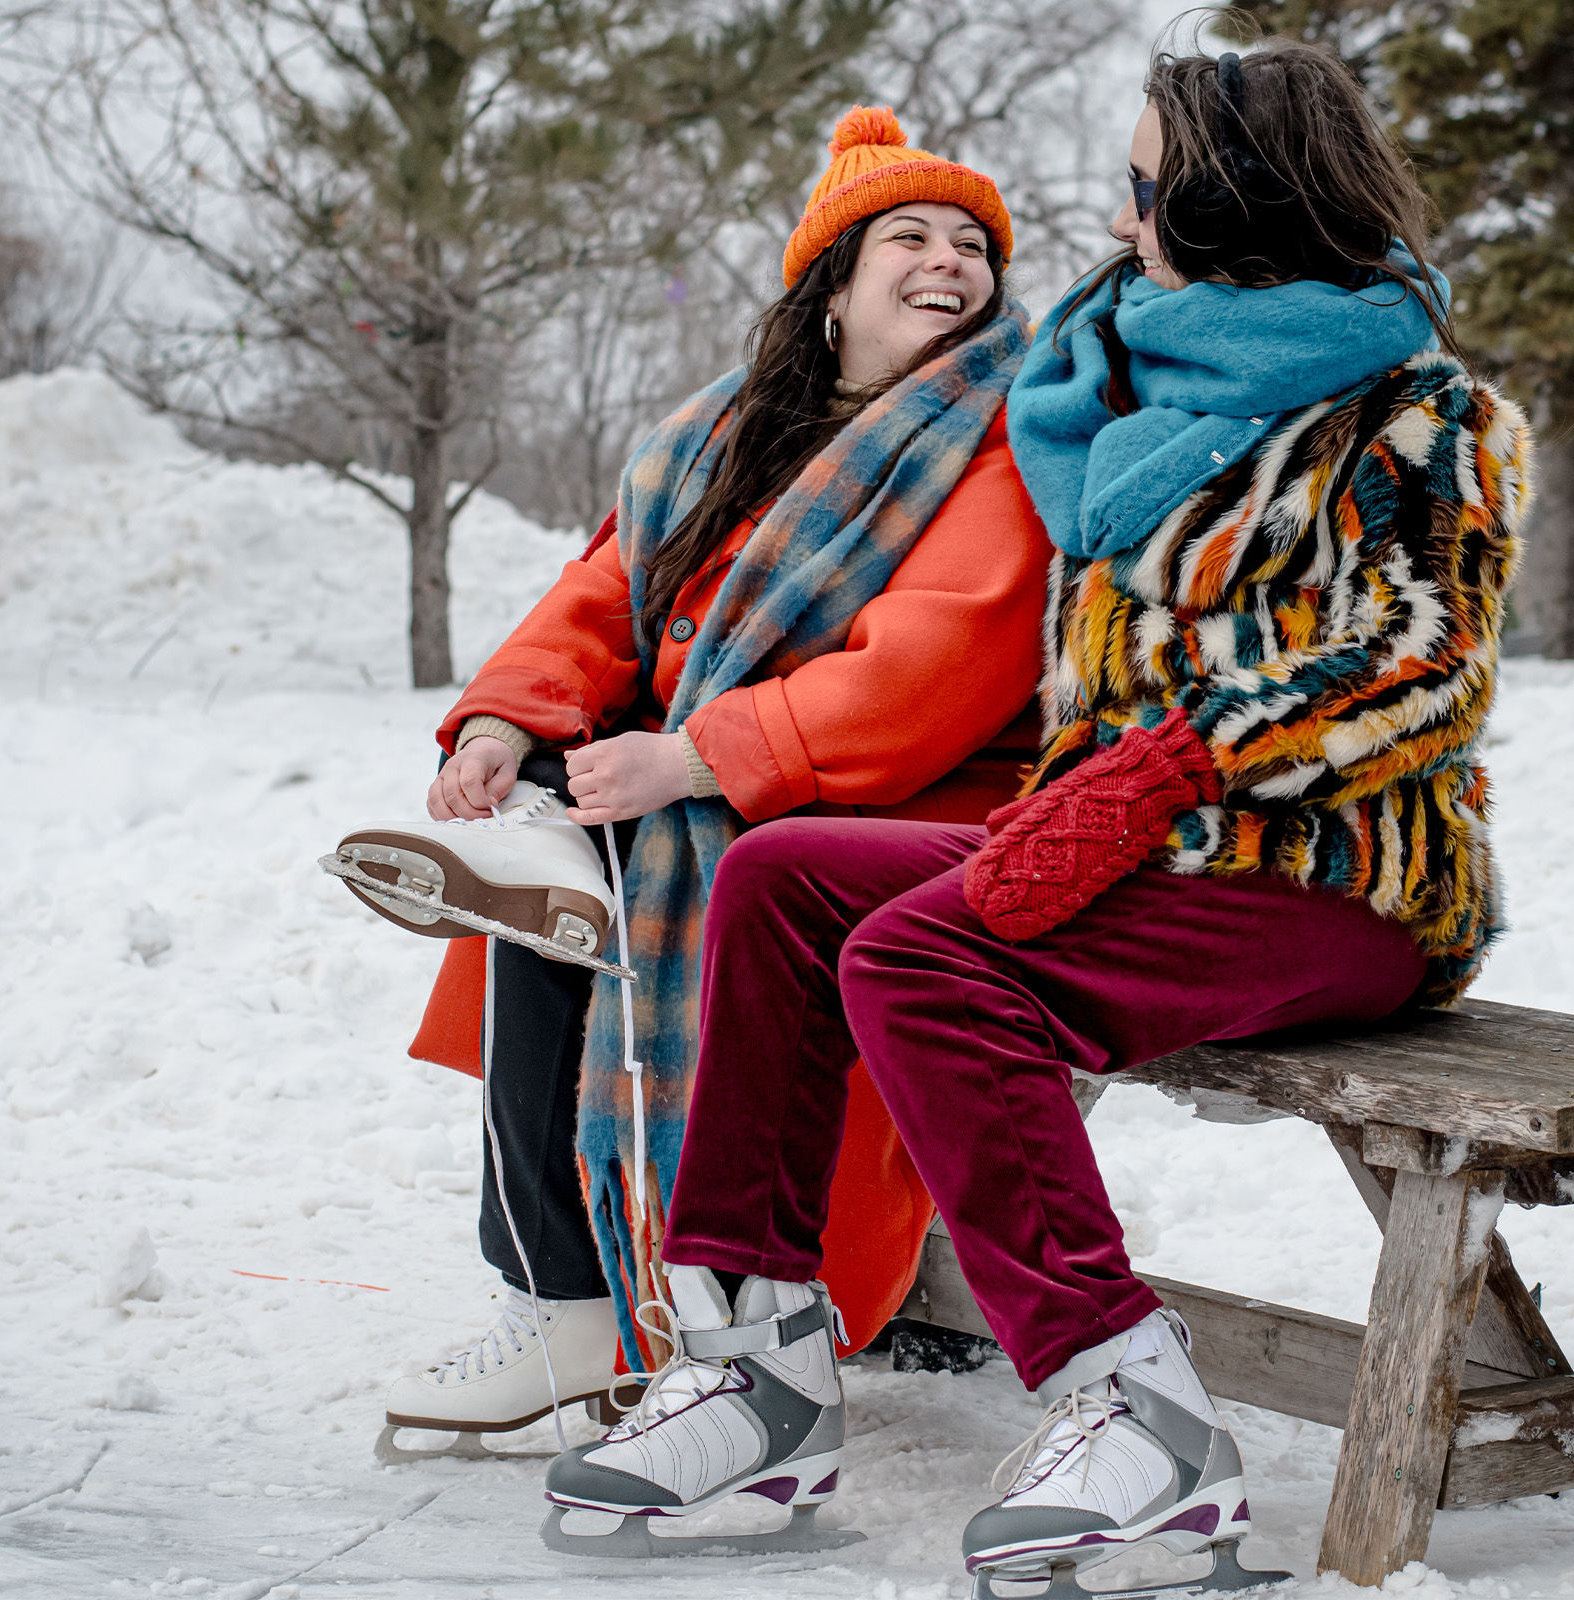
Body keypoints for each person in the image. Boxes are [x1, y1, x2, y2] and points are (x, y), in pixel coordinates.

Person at [543, 38, 1533, 1586]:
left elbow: (1426, 664)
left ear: (1226, 193)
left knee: (922, 958)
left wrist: (1179, 764)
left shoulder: (1418, 411)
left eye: (1147, 180)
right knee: (788, 879)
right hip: (1119, 833)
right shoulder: (1108, 380)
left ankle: (1133, 1398)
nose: (1124, 213)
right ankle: (760, 1359)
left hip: (1325, 873)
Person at [346, 106, 1052, 1454]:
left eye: (973, 243)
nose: (952, 261)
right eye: (908, 234)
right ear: (829, 283)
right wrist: (504, 722)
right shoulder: (719, 436)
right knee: (550, 850)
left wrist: (698, 754)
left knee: (615, 859)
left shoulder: (999, 438)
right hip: (718, 786)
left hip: (900, 802)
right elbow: (603, 599)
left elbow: (937, 669)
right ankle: (563, 1293)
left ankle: (641, 1310)